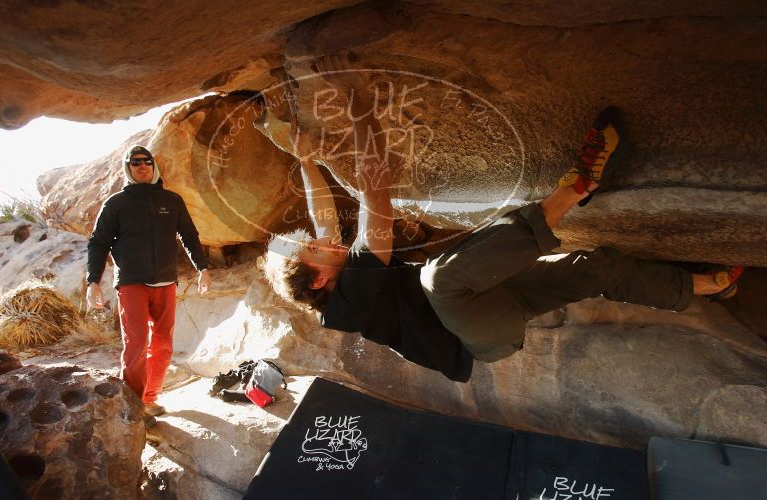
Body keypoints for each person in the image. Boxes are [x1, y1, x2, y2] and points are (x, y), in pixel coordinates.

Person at [262, 54, 742, 383]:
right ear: (322, 278)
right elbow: (376, 188)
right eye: (317, 248)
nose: (329, 240)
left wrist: (305, 160)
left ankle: (711, 286)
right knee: (438, 278)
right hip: (472, 333)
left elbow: (321, 214)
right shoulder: (352, 294)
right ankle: (577, 186)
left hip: (485, 300)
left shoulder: (333, 273)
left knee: (593, 269)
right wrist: (356, 102)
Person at [86, 146, 211, 423]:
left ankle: (149, 398)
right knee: (137, 344)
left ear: (154, 166)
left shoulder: (172, 200)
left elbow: (189, 235)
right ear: (127, 169)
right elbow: (98, 242)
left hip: (166, 282)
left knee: (164, 345)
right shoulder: (116, 203)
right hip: (132, 283)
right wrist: (92, 281)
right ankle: (132, 403)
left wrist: (202, 268)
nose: (142, 166)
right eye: (135, 163)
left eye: (147, 162)